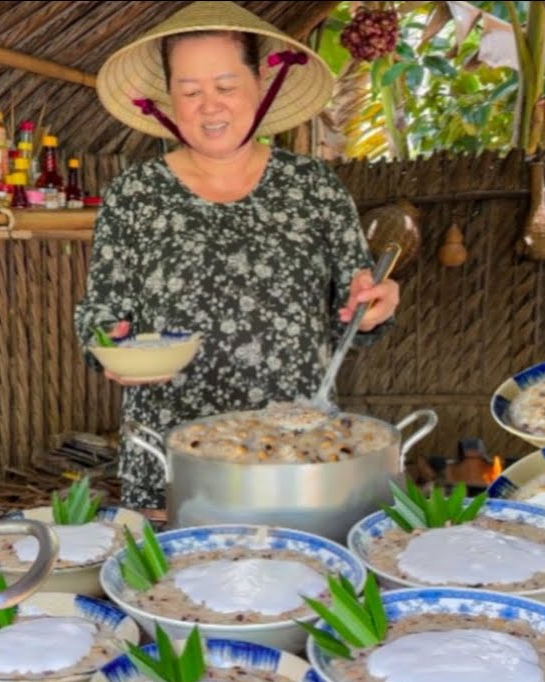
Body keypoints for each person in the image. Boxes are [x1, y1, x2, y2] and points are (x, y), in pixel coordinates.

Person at [75, 1, 400, 509]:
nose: (209, 105)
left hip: (297, 456)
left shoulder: (312, 187)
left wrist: (374, 305)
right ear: (170, 99)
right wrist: (108, 345)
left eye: (226, 87)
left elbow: (354, 320)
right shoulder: (136, 193)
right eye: (190, 91)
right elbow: (99, 315)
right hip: (172, 459)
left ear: (260, 88)